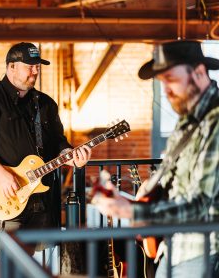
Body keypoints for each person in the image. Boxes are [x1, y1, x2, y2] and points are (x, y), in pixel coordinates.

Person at [93, 40, 219, 278]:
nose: (166, 91)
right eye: (162, 83)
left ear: (199, 72)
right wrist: (131, 202)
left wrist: (134, 212)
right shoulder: (188, 122)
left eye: (170, 79)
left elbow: (200, 204)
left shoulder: (216, 122)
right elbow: (171, 184)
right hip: (176, 248)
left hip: (205, 252)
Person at [0, 42, 92, 277]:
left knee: (29, 259)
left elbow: (59, 144)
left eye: (37, 67)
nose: (35, 71)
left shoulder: (45, 104)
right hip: (6, 192)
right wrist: (2, 175)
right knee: (11, 257)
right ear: (11, 67)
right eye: (30, 66)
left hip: (41, 195)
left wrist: (73, 158)